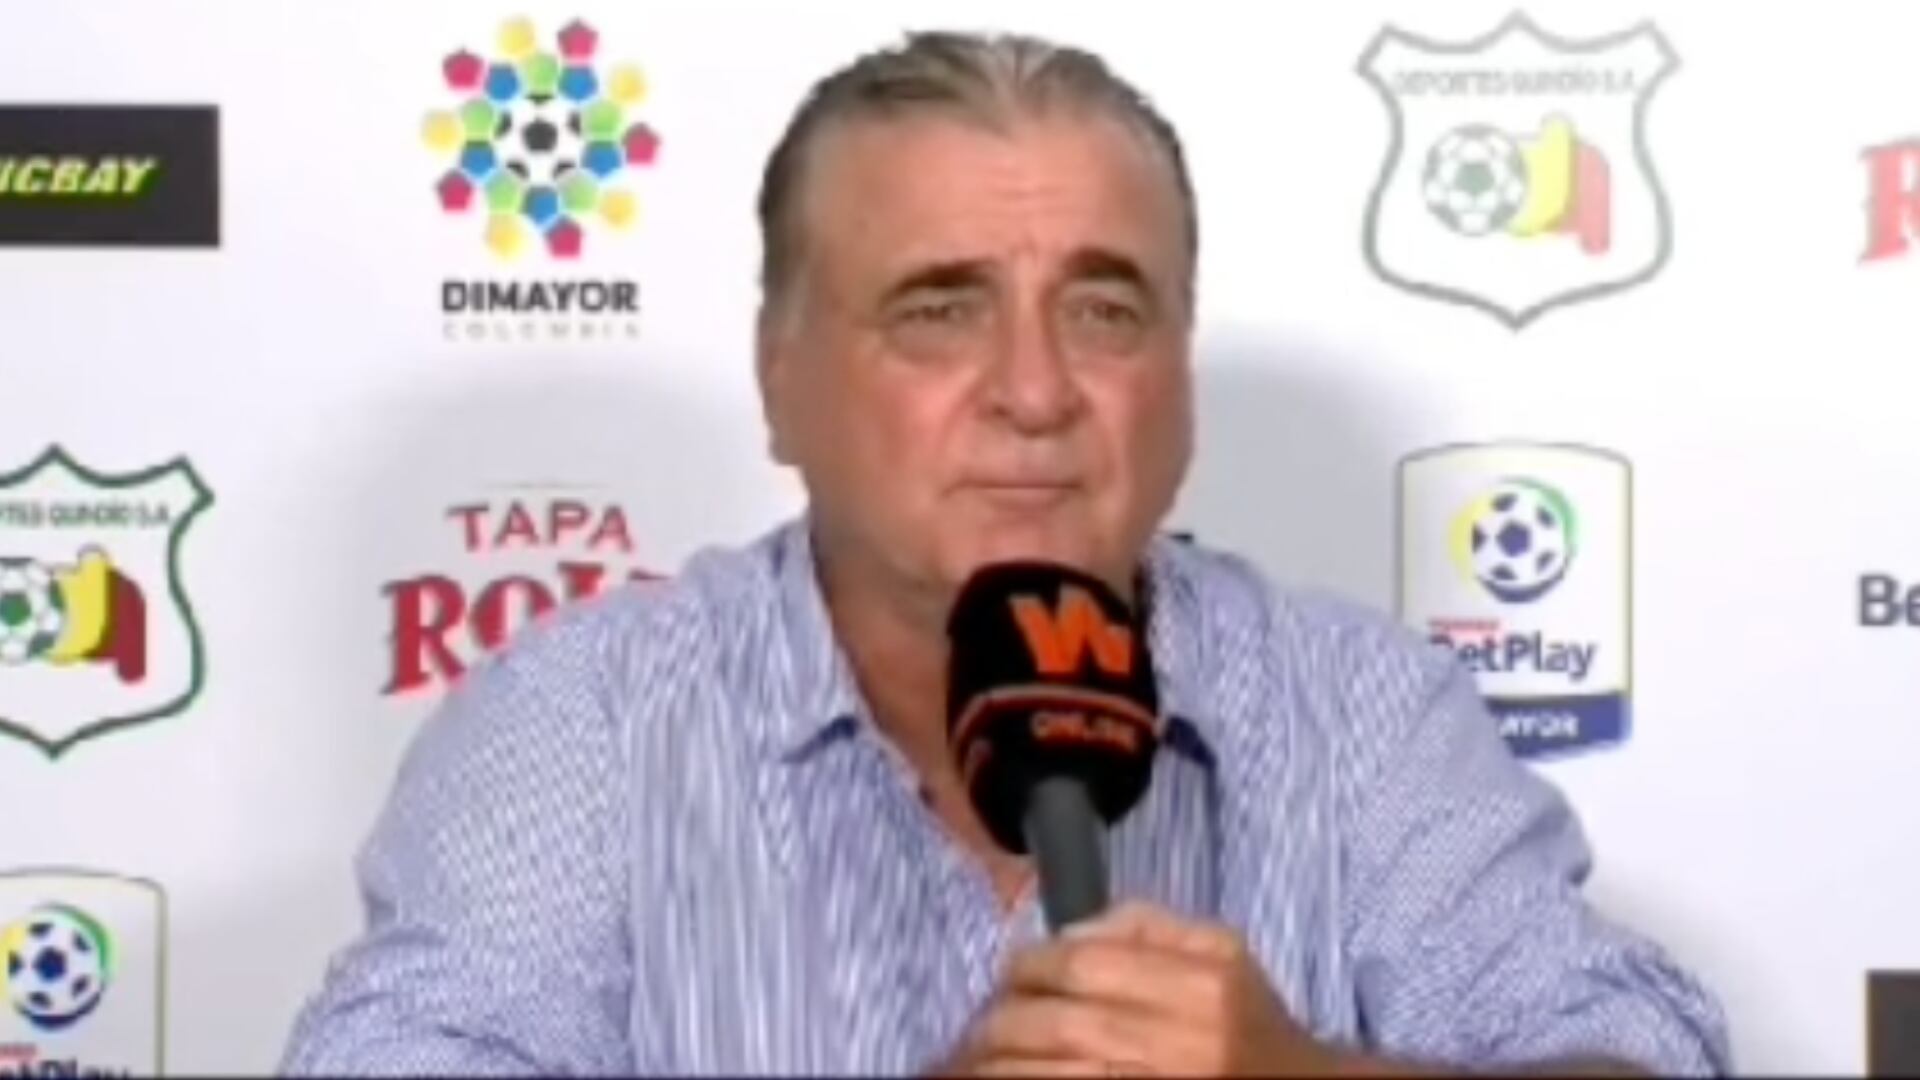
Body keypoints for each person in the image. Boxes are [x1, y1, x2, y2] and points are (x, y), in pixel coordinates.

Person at [280, 29, 1732, 1078]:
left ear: (1179, 378)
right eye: (938, 310)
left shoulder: (1358, 709)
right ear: (782, 381)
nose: (1035, 392)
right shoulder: (583, 722)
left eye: (1105, 312)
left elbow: (1633, 1057)